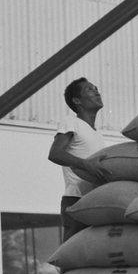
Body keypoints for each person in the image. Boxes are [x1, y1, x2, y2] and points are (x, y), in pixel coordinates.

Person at [48, 77, 111, 239]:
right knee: (74, 255)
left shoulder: (97, 134)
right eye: (90, 89)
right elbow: (55, 153)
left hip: (95, 198)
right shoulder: (71, 122)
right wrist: (86, 165)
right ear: (77, 100)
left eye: (96, 88)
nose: (97, 92)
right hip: (76, 199)